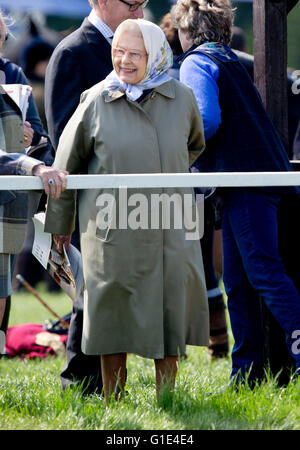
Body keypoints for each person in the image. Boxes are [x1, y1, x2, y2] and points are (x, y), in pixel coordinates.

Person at [44, 18, 209, 401]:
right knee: (112, 318)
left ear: (155, 56)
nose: (124, 61)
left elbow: (194, 145)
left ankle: (167, 399)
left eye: (135, 54)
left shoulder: (181, 96)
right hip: (111, 230)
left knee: (169, 313)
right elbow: (66, 166)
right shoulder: (95, 99)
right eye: (118, 52)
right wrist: (61, 225)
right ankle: (114, 402)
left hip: (168, 222)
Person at [172, 0, 300, 385]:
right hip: (256, 180)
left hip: (243, 183)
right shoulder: (229, 58)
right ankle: (245, 374)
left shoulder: (196, 61)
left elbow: (206, 120)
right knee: (239, 282)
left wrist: (177, 148)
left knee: (263, 273)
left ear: (186, 30)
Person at [44, 0, 149, 395]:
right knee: (93, 291)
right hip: (93, 198)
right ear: (101, 1)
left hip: (129, 197)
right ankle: (80, 381)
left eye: (144, 5)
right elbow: (64, 137)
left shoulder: (131, 50)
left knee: (114, 290)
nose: (140, 14)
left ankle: (105, 383)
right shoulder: (72, 52)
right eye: (132, 5)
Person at [159, 11, 228, 359]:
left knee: (177, 266)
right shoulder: (191, 69)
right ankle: (219, 345)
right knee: (202, 267)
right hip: (199, 182)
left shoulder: (171, 74)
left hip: (178, 180)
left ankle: (178, 348)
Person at [0, 85, 68, 353]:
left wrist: (30, 142)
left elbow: (42, 142)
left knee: (2, 300)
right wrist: (34, 166)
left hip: (8, 214)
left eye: (3, 39)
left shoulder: (14, 78)